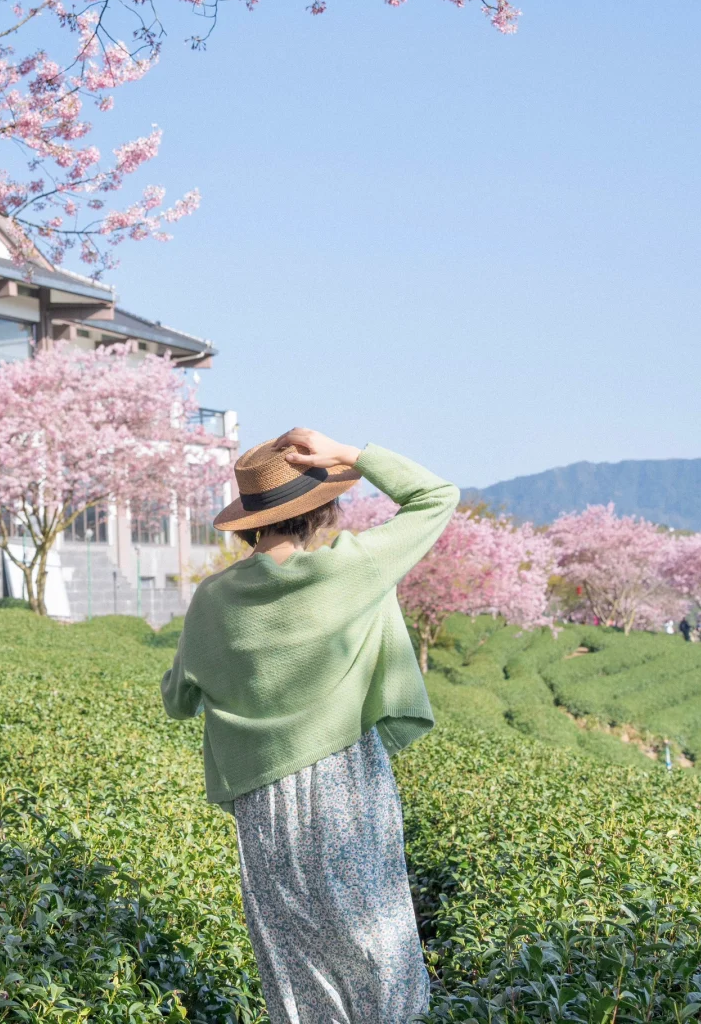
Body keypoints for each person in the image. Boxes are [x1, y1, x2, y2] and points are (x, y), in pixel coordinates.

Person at [161, 427, 458, 1024]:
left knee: (292, 946)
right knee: (374, 934)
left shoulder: (213, 598)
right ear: (322, 508)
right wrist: (350, 454)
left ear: (250, 518)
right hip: (347, 779)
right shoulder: (353, 568)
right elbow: (437, 496)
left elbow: (178, 698)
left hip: (263, 798)